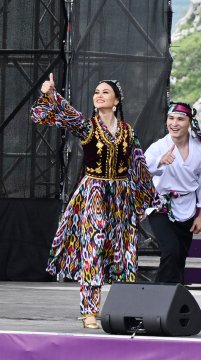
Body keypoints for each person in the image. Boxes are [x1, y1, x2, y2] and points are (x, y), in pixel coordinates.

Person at [32, 75, 156, 328]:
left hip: (121, 197)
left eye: (105, 92)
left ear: (117, 100)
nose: (99, 95)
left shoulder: (128, 131)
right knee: (93, 247)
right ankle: (89, 310)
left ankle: (125, 309)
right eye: (96, 91)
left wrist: (141, 202)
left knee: (124, 252)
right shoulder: (88, 127)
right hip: (95, 193)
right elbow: (67, 114)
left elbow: (139, 166)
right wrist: (51, 95)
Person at [143, 102, 201, 284]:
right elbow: (140, 168)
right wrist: (159, 161)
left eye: (180, 119)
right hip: (160, 205)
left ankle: (174, 299)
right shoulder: (159, 146)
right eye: (171, 118)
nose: (174, 123)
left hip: (187, 207)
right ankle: (160, 296)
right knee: (171, 250)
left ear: (190, 122)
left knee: (180, 256)